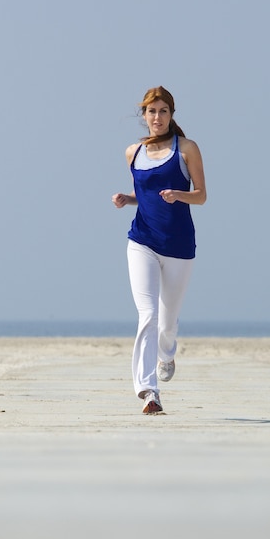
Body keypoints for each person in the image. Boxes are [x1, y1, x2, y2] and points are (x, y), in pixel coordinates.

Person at [112, 86, 207, 414]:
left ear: (171, 114)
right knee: (148, 314)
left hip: (179, 247)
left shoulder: (188, 149)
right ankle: (148, 390)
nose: (157, 117)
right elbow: (148, 196)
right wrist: (129, 199)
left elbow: (201, 195)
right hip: (142, 242)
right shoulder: (132, 153)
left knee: (167, 323)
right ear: (144, 116)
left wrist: (179, 196)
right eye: (152, 112)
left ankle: (167, 353)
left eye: (163, 111)